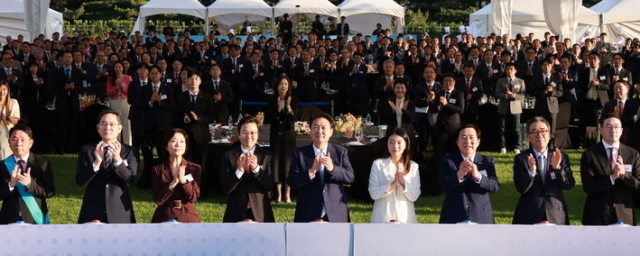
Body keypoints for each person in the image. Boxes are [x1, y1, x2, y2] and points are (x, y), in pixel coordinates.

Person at [288, 113, 355, 222]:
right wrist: (311, 171)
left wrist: (333, 169)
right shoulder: (300, 153)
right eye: (315, 127)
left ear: (331, 132)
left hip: (335, 211)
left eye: (324, 128)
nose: (319, 131)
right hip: (308, 211)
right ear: (310, 131)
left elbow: (350, 177)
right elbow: (292, 181)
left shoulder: (340, 152)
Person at [76, 109, 138, 223]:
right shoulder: (88, 150)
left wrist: (118, 161)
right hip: (93, 209)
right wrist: (96, 163)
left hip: (119, 210)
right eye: (103, 124)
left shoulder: (130, 151)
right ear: (98, 128)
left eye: (112, 124)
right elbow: (81, 181)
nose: (107, 128)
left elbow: (130, 179)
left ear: (119, 128)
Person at [512, 117, 575, 225]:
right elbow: (521, 188)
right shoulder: (521, 159)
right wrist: (531, 173)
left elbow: (568, 184)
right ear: (528, 137)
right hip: (529, 213)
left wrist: (557, 169)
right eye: (534, 131)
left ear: (550, 135)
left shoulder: (560, 157)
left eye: (543, 130)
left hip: (556, 213)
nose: (539, 135)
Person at [581, 114, 640, 225]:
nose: (613, 130)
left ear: (622, 130)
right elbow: (588, 187)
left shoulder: (633, 154)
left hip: (625, 215)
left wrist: (624, 175)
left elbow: (638, 186)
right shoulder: (590, 154)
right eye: (609, 126)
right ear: (601, 130)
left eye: (617, 126)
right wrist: (612, 178)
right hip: (597, 215)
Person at [439, 124, 499, 223]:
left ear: (478, 141)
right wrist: (459, 175)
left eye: (471, 137)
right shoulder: (448, 160)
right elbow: (443, 186)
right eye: (463, 137)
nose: (467, 141)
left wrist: (478, 176)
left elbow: (494, 186)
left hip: (481, 216)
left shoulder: (486, 161)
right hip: (453, 215)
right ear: (457, 142)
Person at [220, 116, 275, 222]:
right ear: (239, 134)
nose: (248, 136)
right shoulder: (229, 156)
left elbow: (269, 186)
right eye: (245, 132)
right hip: (236, 211)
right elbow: (225, 188)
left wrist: (256, 169)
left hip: (261, 212)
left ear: (258, 134)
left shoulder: (267, 156)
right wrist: (239, 171)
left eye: (253, 133)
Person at [0, 124, 54, 224]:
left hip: (34, 219)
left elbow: (49, 191)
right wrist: (10, 185)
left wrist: (30, 183)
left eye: (22, 140)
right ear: (9, 142)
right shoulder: (3, 165)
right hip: (9, 219)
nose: (18, 143)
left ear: (31, 143)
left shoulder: (42, 163)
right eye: (14, 139)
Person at [368, 128, 421, 223]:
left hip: (405, 218)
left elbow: (414, 196)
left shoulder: (413, 166)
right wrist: (391, 185)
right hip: (383, 216)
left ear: (406, 145)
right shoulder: (378, 165)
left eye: (399, 142)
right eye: (391, 142)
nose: (395, 146)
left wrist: (402, 182)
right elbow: (373, 193)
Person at [151, 128, 201, 223]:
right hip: (165, 214)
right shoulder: (157, 170)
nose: (178, 144)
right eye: (173, 141)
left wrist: (183, 182)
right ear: (166, 146)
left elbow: (194, 197)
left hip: (187, 215)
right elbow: (158, 199)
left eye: (182, 141)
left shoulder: (194, 168)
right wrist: (173, 183)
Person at [268, 74, 296, 203]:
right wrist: (279, 108)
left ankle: (287, 194)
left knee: (288, 164)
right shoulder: (271, 99)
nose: (283, 86)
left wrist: (288, 108)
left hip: (289, 136)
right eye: (281, 84)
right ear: (277, 86)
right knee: (277, 164)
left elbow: (294, 119)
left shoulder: (293, 99)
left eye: (285, 84)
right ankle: (278, 194)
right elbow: (270, 118)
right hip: (275, 136)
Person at [495, 63, 526, 154]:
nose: (509, 71)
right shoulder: (501, 81)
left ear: (515, 71)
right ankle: (503, 146)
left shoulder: (520, 81)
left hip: (516, 107)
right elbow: (497, 93)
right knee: (502, 128)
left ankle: (517, 147)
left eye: (511, 69)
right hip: (503, 107)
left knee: (516, 128)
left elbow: (523, 95)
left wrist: (514, 95)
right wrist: (506, 96)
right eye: (507, 69)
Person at [106, 61, 133, 145]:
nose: (118, 69)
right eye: (116, 67)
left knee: (127, 124)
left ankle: (128, 144)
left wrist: (123, 88)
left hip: (126, 101)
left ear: (123, 68)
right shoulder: (110, 79)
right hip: (115, 101)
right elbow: (108, 92)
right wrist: (116, 89)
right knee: (115, 123)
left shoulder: (128, 78)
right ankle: (115, 143)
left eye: (120, 67)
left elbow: (131, 91)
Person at [0, 81, 20, 159]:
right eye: (0, 89)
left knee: (5, 152)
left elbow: (16, 120)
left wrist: (9, 118)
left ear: (8, 90)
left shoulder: (13, 102)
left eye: (4, 89)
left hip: (7, 131)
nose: (2, 92)